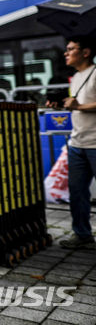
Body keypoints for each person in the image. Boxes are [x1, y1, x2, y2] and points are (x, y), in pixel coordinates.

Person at [52, 36, 96, 250]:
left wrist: (78, 107)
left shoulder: (95, 72)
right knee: (77, 191)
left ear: (85, 52)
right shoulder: (76, 77)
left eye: (70, 49)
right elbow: (77, 104)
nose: (65, 53)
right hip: (77, 143)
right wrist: (62, 105)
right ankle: (82, 234)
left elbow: (81, 105)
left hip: (95, 143)